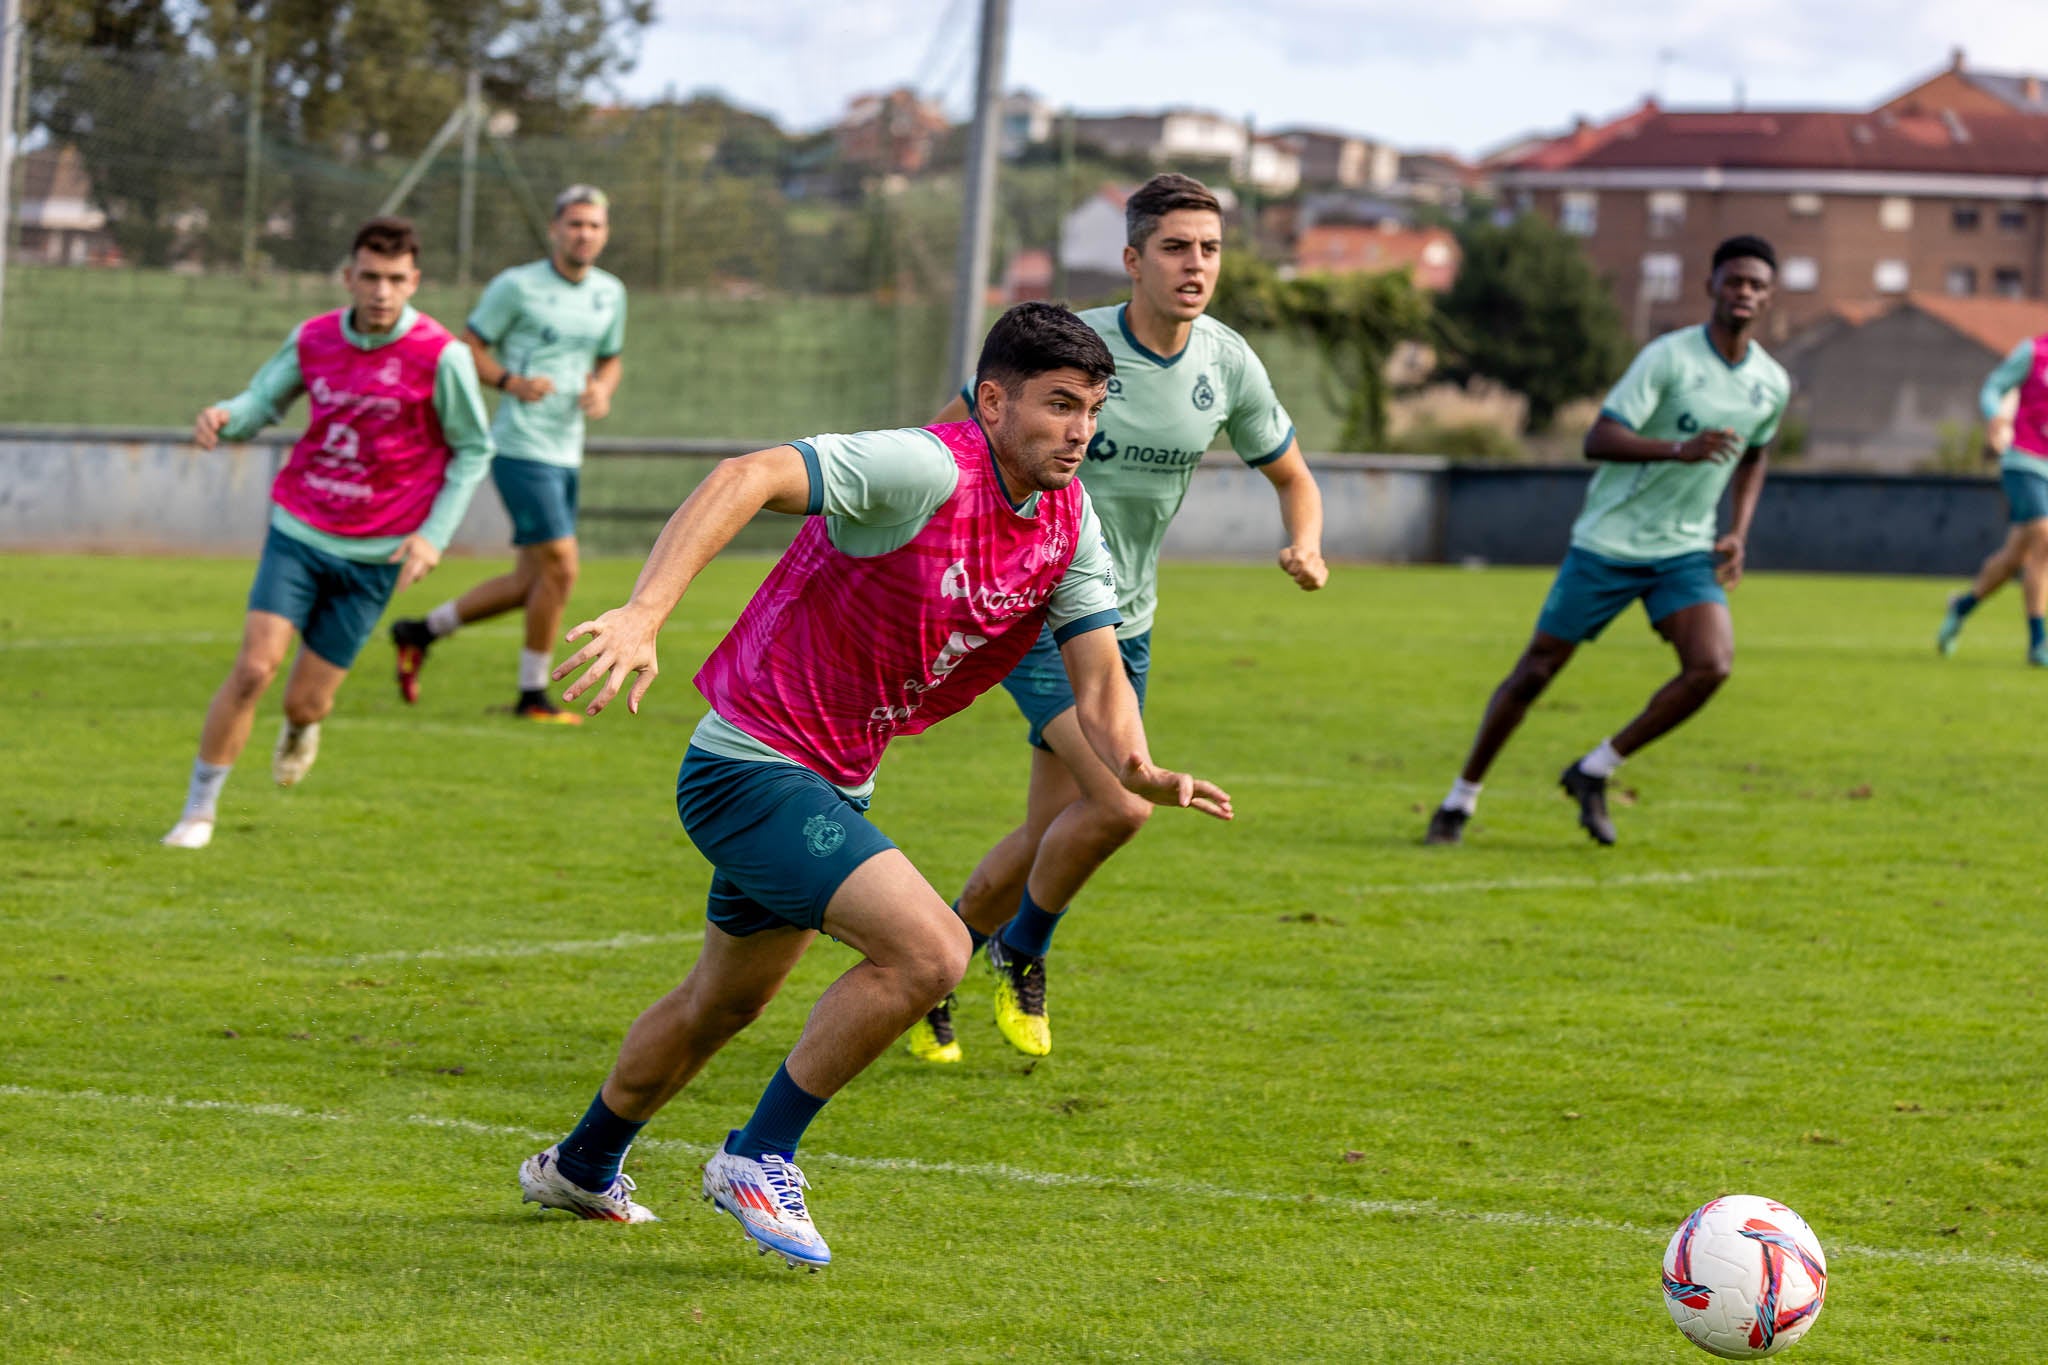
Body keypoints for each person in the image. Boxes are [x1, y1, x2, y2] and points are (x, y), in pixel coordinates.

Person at [515, 303, 1232, 1269]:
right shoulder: (927, 467)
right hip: (750, 766)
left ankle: (581, 1164)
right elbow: (749, 474)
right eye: (1058, 405)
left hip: (831, 780)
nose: (1079, 430)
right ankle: (758, 1155)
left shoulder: (1069, 518)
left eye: (1091, 409)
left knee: (718, 1006)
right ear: (993, 400)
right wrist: (645, 612)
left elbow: (1099, 676)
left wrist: (1138, 766)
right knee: (932, 950)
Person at [908, 172, 1325, 1064]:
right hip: (1024, 608)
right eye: (1176, 247)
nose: (1196, 264)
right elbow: (948, 437)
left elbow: (1292, 474)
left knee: (1044, 835)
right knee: (1122, 802)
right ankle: (1023, 948)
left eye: (1210, 249)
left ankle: (932, 964)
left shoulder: (1226, 362)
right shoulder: (1070, 346)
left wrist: (1306, 543)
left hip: (1121, 619)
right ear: (1133, 259)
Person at [1424, 234, 1789, 848]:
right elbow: (1599, 438)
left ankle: (1594, 769)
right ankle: (1458, 801)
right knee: (1534, 673)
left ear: (1770, 296)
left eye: (1756, 284)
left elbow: (1755, 454)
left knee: (1710, 667)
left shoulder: (1771, 382)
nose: (1744, 293)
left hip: (1683, 549)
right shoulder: (1668, 359)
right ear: (1711, 286)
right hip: (1610, 544)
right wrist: (1679, 449)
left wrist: (1738, 531)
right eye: (1734, 281)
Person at [160, 217, 492, 850]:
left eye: (396, 279)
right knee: (255, 668)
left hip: (380, 551)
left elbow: (472, 449)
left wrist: (433, 536)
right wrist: (227, 417)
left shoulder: (441, 354)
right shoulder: (313, 339)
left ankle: (302, 726)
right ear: (348, 276)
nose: (382, 291)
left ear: (414, 281)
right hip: (301, 527)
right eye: (369, 276)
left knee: (304, 703)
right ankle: (198, 811)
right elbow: (263, 402)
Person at [389, 185, 626, 722]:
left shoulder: (611, 292)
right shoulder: (517, 286)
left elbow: (610, 358)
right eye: (574, 224)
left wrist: (604, 390)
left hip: (568, 450)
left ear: (604, 233)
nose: (583, 233)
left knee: (530, 582)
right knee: (563, 569)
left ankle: (419, 632)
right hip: (520, 446)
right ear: (554, 229)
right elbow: (464, 348)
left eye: (593, 225)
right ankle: (531, 697)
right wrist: (510, 381)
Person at [1935, 330, 2048, 663]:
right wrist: (1995, 416)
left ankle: (1961, 607)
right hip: (2024, 461)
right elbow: (1994, 386)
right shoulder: (2033, 353)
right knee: (2044, 535)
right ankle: (2039, 643)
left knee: (2015, 557)